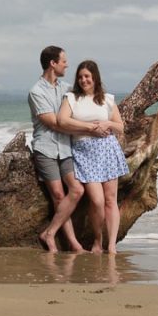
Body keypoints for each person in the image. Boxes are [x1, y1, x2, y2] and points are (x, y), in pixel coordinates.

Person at [29, 46, 108, 254]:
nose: (67, 64)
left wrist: (106, 120)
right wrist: (91, 128)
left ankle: (49, 232)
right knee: (57, 194)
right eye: (63, 61)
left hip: (66, 148)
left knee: (77, 190)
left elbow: (87, 103)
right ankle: (72, 243)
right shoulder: (36, 92)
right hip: (45, 148)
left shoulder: (66, 89)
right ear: (53, 64)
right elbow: (56, 123)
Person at [58, 60, 129, 254]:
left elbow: (120, 127)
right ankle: (98, 240)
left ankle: (111, 245)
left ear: (95, 77)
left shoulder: (107, 99)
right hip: (84, 152)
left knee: (110, 199)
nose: (83, 80)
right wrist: (89, 128)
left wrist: (107, 124)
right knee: (96, 200)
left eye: (87, 76)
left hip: (107, 150)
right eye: (80, 77)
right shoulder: (72, 98)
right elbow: (62, 120)